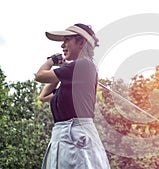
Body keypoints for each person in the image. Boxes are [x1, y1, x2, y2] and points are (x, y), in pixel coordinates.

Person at [35, 23, 111, 169]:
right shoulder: (75, 72)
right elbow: (43, 96)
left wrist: (52, 60)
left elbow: (40, 76)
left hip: (75, 135)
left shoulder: (83, 65)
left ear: (81, 42)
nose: (63, 45)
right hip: (63, 136)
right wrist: (62, 70)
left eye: (67, 40)